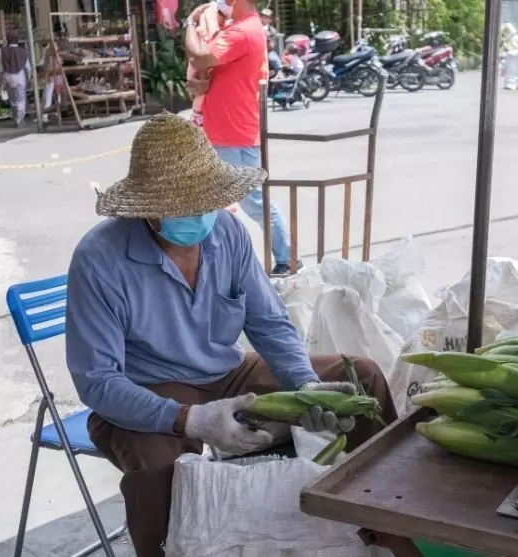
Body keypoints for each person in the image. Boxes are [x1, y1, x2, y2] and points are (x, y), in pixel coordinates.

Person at [66, 113, 398, 557]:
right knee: (158, 469)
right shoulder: (99, 259)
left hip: (228, 371)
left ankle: (391, 526)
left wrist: (305, 383)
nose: (198, 215)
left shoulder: (226, 231)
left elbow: (269, 322)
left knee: (363, 378)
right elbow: (97, 381)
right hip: (148, 387)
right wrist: (191, 419)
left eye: (205, 201)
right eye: (181, 205)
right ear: (147, 207)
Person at [183, 0, 301, 275]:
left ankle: (287, 259)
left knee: (253, 201)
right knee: (214, 202)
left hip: (233, 133)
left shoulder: (242, 32)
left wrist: (189, 23)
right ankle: (218, 265)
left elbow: (199, 57)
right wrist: (197, 85)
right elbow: (208, 69)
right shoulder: (236, 28)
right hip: (223, 130)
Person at [185, 0, 230, 128]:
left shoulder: (214, 11)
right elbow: (211, 35)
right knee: (201, 93)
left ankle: (197, 116)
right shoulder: (211, 11)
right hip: (202, 64)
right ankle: (197, 116)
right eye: (221, 15)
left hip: (203, 63)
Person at [0, 30, 31, 128]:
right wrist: (29, 78)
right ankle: (19, 120)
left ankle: (16, 119)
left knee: (12, 99)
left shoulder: (2, 51)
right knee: (21, 99)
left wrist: (1, 79)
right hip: (20, 78)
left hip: (7, 77)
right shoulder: (23, 51)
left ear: (8, 39)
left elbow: (0, 66)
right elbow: (28, 67)